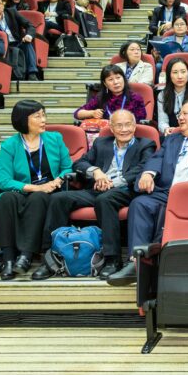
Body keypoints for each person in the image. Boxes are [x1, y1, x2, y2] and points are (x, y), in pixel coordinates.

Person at [109, 100, 188, 286]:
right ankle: (136, 262)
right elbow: (157, 158)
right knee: (140, 203)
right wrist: (148, 173)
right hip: (168, 190)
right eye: (180, 114)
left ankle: (157, 263)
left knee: (167, 213)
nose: (180, 117)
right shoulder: (173, 138)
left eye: (185, 114)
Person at [38, 109, 157, 280]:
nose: (124, 129)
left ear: (134, 126)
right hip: (97, 188)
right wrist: (96, 173)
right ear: (111, 127)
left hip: (126, 191)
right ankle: (50, 257)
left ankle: (112, 259)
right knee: (58, 198)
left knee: (105, 199)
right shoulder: (102, 143)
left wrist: (113, 183)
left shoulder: (145, 144)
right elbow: (80, 163)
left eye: (128, 125)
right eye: (119, 125)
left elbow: (143, 167)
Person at [0, 100, 74, 281]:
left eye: (43, 115)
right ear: (23, 120)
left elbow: (68, 168)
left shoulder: (54, 138)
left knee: (39, 197)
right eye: (37, 116)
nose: (44, 120)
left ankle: (25, 256)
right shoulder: (9, 145)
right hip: (20, 191)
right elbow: (4, 180)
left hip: (47, 192)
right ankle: (8, 260)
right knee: (6, 199)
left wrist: (56, 181)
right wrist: (34, 187)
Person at [0, 0, 40, 81]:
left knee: (27, 44)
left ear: (3, 5)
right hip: (3, 47)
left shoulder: (12, 12)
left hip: (17, 42)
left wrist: (28, 35)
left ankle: (32, 73)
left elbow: (29, 25)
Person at [75, 64, 148, 123]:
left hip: (128, 133)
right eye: (110, 79)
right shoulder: (100, 98)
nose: (116, 82)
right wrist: (92, 113)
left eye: (118, 77)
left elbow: (142, 120)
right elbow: (77, 113)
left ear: (124, 79)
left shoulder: (135, 98)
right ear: (105, 83)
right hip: (106, 135)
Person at [156, 57, 188, 136]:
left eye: (183, 72)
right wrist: (167, 129)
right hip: (171, 135)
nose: (180, 76)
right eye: (175, 72)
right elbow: (162, 122)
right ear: (169, 75)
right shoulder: (162, 95)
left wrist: (180, 130)